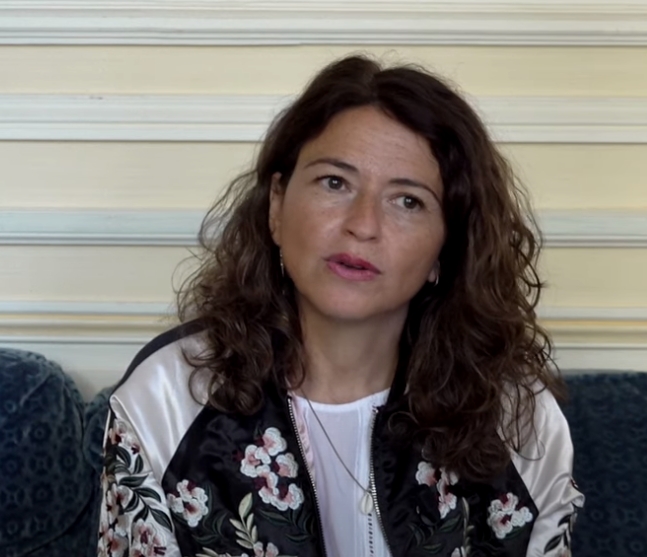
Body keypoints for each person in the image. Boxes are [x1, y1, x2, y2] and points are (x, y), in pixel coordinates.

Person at [97, 55, 584, 557]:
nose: (363, 225)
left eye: (408, 201)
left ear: (447, 248)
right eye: (335, 183)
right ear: (276, 206)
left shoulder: (517, 418)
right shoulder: (168, 397)